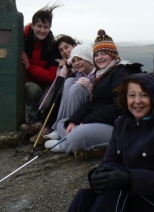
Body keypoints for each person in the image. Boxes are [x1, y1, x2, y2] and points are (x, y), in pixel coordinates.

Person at [67, 73, 154, 212]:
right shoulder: (121, 123)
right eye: (132, 95)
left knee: (115, 188)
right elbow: (109, 162)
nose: (137, 101)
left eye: (144, 95)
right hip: (129, 193)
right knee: (85, 196)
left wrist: (128, 178)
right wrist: (97, 176)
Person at [45, 29, 143, 160]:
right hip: (101, 121)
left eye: (104, 53)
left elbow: (118, 107)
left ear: (113, 54)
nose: (100, 57)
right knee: (63, 124)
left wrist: (86, 121)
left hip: (116, 125)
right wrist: (75, 120)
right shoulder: (102, 73)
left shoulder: (120, 73)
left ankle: (66, 145)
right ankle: (90, 143)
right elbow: (93, 102)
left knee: (78, 134)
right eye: (96, 55)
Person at [28, 34, 79, 143]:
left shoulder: (79, 59)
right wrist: (62, 68)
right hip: (64, 90)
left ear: (74, 46)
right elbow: (58, 82)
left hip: (76, 93)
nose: (64, 51)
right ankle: (44, 123)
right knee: (56, 96)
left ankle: (48, 127)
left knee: (59, 97)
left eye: (66, 47)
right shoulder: (63, 63)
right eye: (61, 50)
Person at [42, 43, 95, 142]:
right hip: (81, 101)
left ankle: (63, 128)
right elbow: (58, 86)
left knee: (76, 87)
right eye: (74, 61)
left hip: (91, 104)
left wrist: (91, 87)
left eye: (80, 59)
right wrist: (66, 67)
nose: (77, 63)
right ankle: (60, 126)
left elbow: (100, 94)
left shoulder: (97, 73)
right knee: (69, 81)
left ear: (88, 58)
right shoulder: (79, 72)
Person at [21, 4, 61, 135]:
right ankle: (32, 122)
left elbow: (51, 76)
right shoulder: (22, 39)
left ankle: (42, 124)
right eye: (39, 26)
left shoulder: (52, 46)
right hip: (30, 83)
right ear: (32, 26)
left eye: (46, 27)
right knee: (32, 90)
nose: (42, 30)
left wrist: (29, 67)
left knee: (45, 104)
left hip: (45, 84)